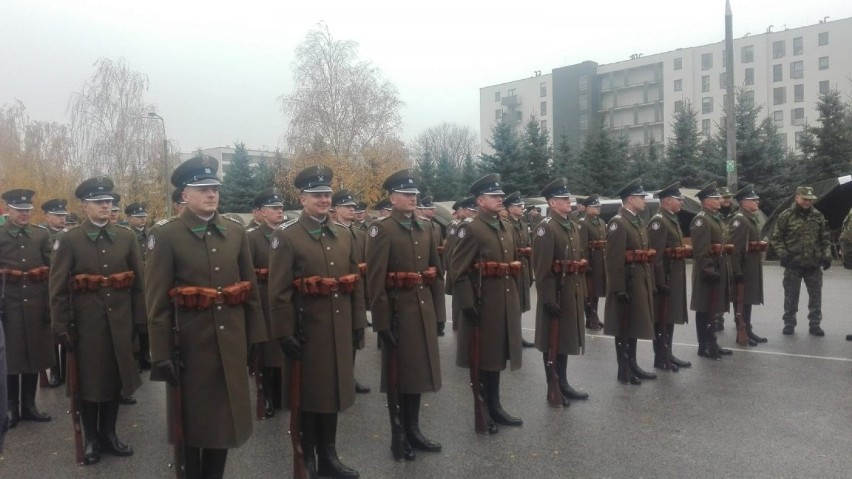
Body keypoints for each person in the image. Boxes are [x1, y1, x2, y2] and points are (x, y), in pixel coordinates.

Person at [145, 157, 266, 477]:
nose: (211, 194)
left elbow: (249, 287)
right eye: (202, 189)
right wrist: (159, 354)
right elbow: (156, 300)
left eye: (214, 188)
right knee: (191, 422)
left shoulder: (235, 231)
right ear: (185, 195)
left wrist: (255, 336)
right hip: (189, 345)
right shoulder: (166, 235)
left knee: (223, 421)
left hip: (230, 341)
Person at [269, 165, 364, 478]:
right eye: (316, 195)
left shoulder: (343, 233)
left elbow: (353, 283)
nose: (324, 200)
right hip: (307, 331)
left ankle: (329, 456)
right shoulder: (287, 237)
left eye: (326, 195)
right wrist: (284, 333)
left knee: (333, 393)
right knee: (309, 397)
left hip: (337, 329)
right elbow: (278, 292)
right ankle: (306, 458)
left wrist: (357, 324)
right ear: (302, 198)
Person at [49, 177, 144, 465]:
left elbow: (139, 284)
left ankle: (109, 434)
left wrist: (141, 321)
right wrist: (61, 326)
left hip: (121, 322)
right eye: (99, 202)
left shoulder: (126, 237)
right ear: (84, 206)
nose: (106, 206)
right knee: (89, 383)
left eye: (109, 202)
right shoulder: (69, 239)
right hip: (87, 324)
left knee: (114, 379)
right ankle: (91, 437)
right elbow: (58, 287)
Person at [366, 170, 442, 461]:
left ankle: (414, 429)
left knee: (418, 373)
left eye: (414, 195)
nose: (412, 198)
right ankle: (398, 434)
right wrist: (382, 323)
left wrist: (438, 314)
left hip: (422, 310)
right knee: (398, 377)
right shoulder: (381, 229)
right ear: (392, 197)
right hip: (398, 314)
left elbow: (435, 274)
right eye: (406, 194)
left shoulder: (427, 227)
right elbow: (375, 280)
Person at [450, 174, 523, 432]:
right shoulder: (470, 228)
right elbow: (457, 271)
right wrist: (467, 305)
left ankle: (495, 406)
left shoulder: (505, 226)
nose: (501, 199)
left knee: (496, 356)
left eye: (501, 195)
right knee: (482, 359)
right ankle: (482, 408)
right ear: (480, 200)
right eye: (495, 196)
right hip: (482, 303)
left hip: (502, 300)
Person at [532, 179, 589, 406]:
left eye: (569, 198)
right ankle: (553, 384)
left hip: (570, 290)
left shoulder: (571, 224)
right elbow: (542, 267)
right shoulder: (546, 227)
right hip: (555, 294)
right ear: (553, 203)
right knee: (551, 341)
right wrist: (547, 299)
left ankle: (563, 382)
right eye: (565, 199)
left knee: (563, 339)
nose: (570, 201)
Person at [2, 189, 54, 429]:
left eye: (27, 211)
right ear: (8, 210)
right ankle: (11, 407)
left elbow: (51, 267)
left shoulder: (40, 235)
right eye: (19, 210)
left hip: (35, 300)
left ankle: (29, 405)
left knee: (34, 352)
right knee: (12, 356)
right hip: (8, 301)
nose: (24, 214)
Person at [603, 179, 656, 385]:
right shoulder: (619, 223)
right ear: (631, 199)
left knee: (633, 324)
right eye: (641, 197)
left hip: (638, 279)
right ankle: (623, 368)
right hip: (626, 282)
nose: (644, 201)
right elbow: (614, 260)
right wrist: (618, 288)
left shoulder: (636, 220)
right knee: (623, 327)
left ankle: (632, 364)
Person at [246, 188, 287, 418]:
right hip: (263, 297)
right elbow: (246, 271)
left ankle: (281, 394)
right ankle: (267, 396)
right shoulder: (252, 237)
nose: (279, 211)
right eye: (274, 208)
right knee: (266, 352)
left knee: (282, 349)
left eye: (281, 208)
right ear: (262, 212)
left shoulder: (288, 234)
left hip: (283, 298)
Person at [770, 186, 832, 336]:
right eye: (804, 199)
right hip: (793, 263)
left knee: (815, 296)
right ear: (797, 197)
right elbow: (776, 238)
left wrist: (827, 255)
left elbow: (824, 238)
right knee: (791, 295)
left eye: (810, 199)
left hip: (813, 264)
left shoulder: (817, 216)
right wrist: (782, 253)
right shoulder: (786, 215)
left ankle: (815, 324)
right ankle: (789, 323)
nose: (807, 202)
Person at [647, 182, 692, 372]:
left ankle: (668, 352)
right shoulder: (659, 221)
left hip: (673, 276)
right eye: (678, 199)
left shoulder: (670, 218)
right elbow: (656, 256)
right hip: (664, 278)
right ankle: (660, 356)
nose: (681, 202)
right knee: (662, 318)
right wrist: (659, 281)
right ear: (667, 201)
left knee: (670, 317)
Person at [331, 189, 371, 394]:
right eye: (347, 207)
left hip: (357, 288)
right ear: (336, 209)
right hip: (339, 291)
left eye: (354, 207)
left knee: (355, 336)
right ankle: (338, 377)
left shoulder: (360, 233)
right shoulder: (332, 232)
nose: (352, 210)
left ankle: (349, 376)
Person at [690, 182, 733, 359]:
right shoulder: (701, 220)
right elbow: (701, 249)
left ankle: (712, 341)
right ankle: (704, 344)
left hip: (718, 267)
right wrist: (708, 270)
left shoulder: (715, 217)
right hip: (706, 271)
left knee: (713, 308)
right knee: (704, 308)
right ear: (707, 201)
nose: (720, 200)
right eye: (716, 198)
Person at [728, 185, 768, 346]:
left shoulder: (750, 217)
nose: (757, 201)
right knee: (741, 300)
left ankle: (748, 329)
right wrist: (737, 270)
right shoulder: (740, 219)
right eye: (753, 199)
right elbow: (735, 248)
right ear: (744, 202)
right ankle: (742, 330)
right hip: (743, 267)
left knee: (748, 299)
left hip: (750, 266)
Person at [41, 198, 69, 388]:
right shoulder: (41, 235)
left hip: (68, 289)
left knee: (68, 330)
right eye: (58, 216)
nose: (62, 219)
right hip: (47, 289)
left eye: (63, 215)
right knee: (52, 333)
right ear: (47, 216)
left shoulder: (70, 235)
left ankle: (68, 371)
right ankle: (55, 371)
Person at [504, 192, 536, 347]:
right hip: (512, 268)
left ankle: (517, 335)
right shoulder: (505, 224)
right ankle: (510, 337)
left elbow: (527, 242)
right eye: (518, 206)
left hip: (523, 268)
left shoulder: (522, 224)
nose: (522, 208)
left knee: (520, 304)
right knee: (511, 305)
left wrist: (528, 250)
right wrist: (520, 251)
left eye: (522, 205)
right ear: (510, 208)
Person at [125, 202, 151, 373]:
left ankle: (145, 355)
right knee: (135, 321)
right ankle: (134, 356)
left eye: (144, 217)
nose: (142, 220)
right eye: (138, 217)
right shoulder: (127, 236)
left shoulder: (151, 235)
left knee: (147, 321)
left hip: (150, 282)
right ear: (129, 218)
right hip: (133, 284)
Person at [444, 197, 476, 332]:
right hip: (457, 266)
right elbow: (451, 248)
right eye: (462, 210)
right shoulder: (456, 226)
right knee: (459, 296)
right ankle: (457, 323)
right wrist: (451, 267)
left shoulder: (471, 225)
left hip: (464, 266)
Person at [578, 194, 606, 331]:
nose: (598, 208)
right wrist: (586, 264)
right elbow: (582, 245)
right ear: (587, 208)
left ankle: (594, 316)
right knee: (589, 292)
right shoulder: (583, 222)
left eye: (599, 206)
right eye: (595, 206)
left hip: (600, 261)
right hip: (591, 262)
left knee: (596, 292)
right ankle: (590, 318)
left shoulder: (600, 222)